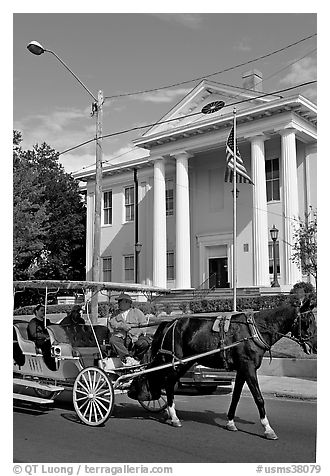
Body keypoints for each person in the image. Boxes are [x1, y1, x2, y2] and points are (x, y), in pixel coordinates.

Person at [108, 293, 150, 366]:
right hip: (121, 337)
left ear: (127, 302)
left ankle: (136, 359)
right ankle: (127, 358)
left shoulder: (137, 312)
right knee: (113, 340)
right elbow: (112, 323)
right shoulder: (115, 313)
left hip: (135, 337)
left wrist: (137, 335)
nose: (118, 303)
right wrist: (122, 326)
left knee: (144, 343)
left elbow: (144, 326)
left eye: (120, 301)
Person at [27, 304, 56, 370]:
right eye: (41, 310)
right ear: (36, 311)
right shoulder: (33, 322)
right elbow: (34, 334)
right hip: (38, 342)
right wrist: (46, 336)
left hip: (49, 339)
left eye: (44, 310)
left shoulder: (47, 321)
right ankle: (50, 367)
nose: (43, 312)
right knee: (48, 346)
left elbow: (52, 328)